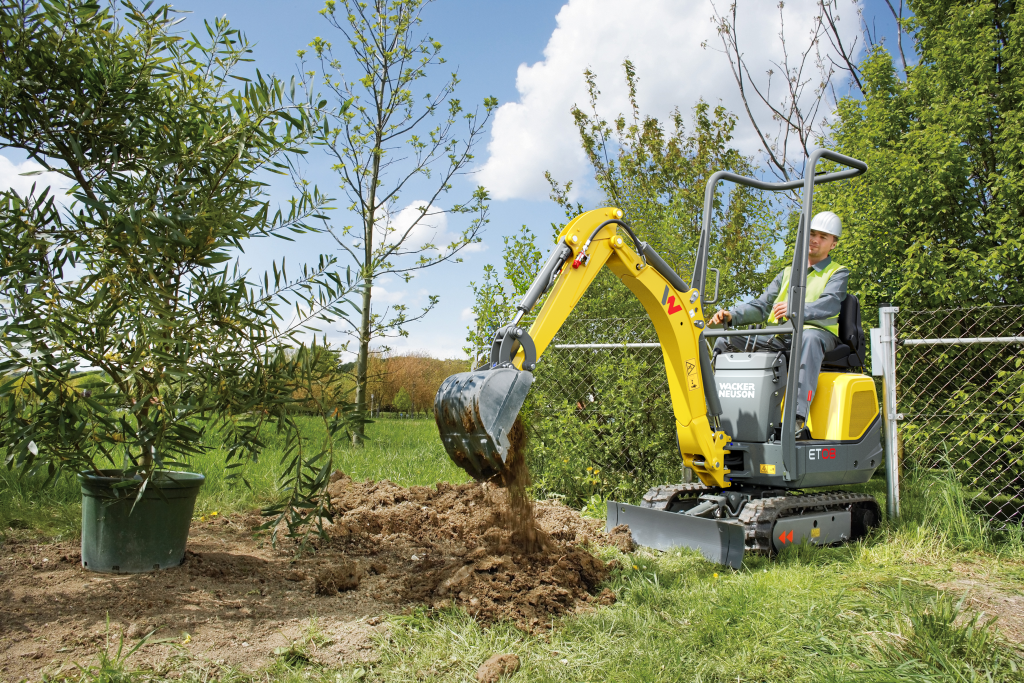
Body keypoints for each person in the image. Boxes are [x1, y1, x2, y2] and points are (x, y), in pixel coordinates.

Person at [708, 211, 848, 439]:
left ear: (833, 244)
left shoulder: (837, 272)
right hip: (780, 336)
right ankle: (715, 414)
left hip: (817, 335)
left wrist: (797, 310)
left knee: (809, 338)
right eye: (812, 234)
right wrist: (731, 315)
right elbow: (762, 306)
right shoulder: (787, 273)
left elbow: (831, 304)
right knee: (726, 340)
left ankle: (796, 418)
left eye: (823, 236)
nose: (815, 239)